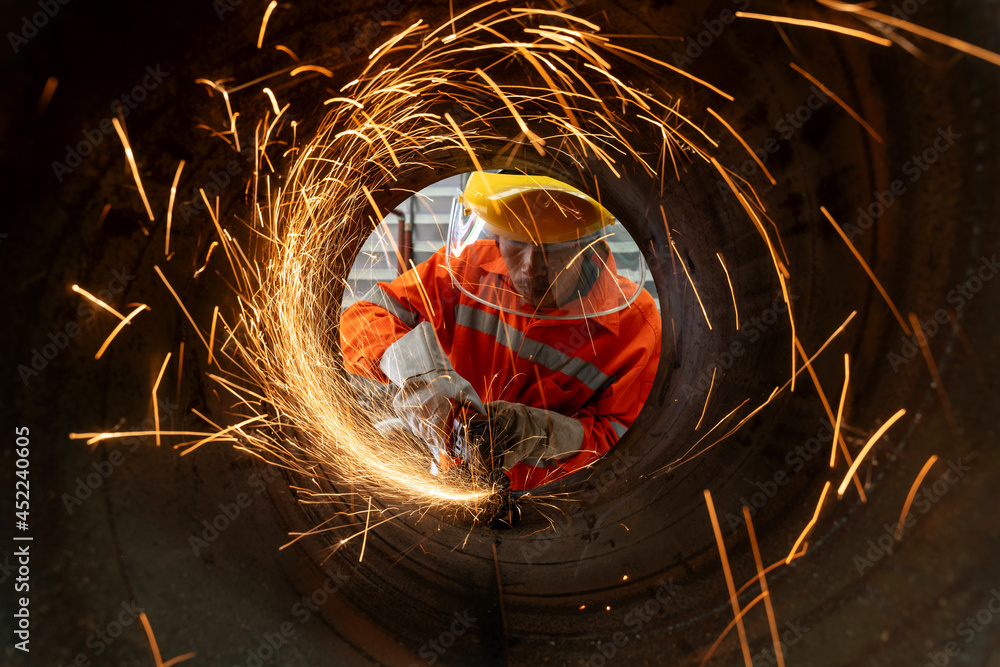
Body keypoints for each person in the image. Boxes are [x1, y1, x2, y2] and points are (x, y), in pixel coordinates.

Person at [340, 171, 661, 492]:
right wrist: (418, 374)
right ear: (497, 235)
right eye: (517, 243)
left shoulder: (636, 325)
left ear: (586, 243)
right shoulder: (464, 270)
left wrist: (544, 434)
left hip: (558, 506)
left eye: (551, 249)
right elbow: (363, 318)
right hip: (451, 484)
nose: (530, 267)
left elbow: (629, 443)